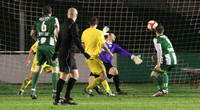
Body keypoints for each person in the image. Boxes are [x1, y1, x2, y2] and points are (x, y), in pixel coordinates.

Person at [52, 7, 91, 105]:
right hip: (67, 53)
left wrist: (55, 53)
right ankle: (57, 99)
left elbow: (59, 40)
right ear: (76, 15)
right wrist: (84, 52)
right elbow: (76, 39)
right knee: (64, 76)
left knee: (75, 75)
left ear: (67, 14)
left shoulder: (63, 25)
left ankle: (67, 97)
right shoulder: (73, 25)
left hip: (67, 53)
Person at [89, 26, 142, 95]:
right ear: (109, 35)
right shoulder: (101, 41)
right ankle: (97, 89)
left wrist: (132, 57)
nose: (115, 37)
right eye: (114, 35)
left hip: (107, 64)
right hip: (98, 62)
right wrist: (102, 33)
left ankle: (118, 90)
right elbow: (94, 40)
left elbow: (122, 51)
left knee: (114, 71)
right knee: (91, 81)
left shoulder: (114, 46)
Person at [30, 6, 60, 99]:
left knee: (38, 69)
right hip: (50, 46)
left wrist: (38, 40)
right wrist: (59, 42)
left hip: (40, 47)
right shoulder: (53, 19)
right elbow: (57, 32)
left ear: (43, 13)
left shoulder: (38, 20)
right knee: (55, 69)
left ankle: (33, 90)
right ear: (51, 12)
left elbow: (31, 34)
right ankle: (55, 92)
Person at [81, 17, 114, 97]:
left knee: (102, 74)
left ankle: (109, 92)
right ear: (96, 24)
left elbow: (82, 45)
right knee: (103, 76)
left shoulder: (84, 32)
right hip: (95, 57)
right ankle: (88, 88)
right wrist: (109, 52)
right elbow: (103, 45)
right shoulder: (99, 32)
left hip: (88, 57)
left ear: (89, 23)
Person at [150, 24, 177, 97]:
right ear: (163, 31)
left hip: (166, 59)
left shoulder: (156, 39)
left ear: (155, 31)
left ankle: (160, 91)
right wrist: (156, 56)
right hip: (174, 59)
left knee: (153, 74)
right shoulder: (165, 37)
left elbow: (159, 51)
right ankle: (165, 89)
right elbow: (166, 48)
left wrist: (158, 62)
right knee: (165, 72)